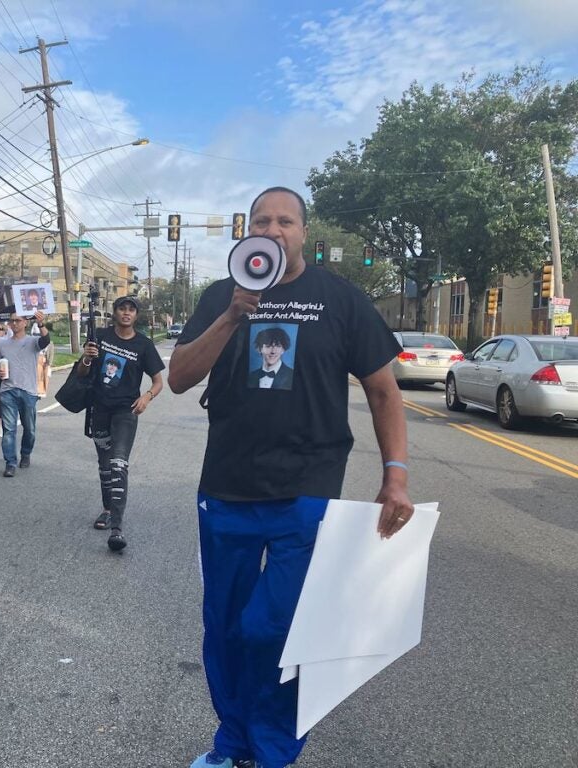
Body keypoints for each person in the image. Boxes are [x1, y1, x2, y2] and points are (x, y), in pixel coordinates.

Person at [167, 187, 413, 768]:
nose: (273, 230)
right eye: (261, 220)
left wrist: (395, 475)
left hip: (306, 493)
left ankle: (274, 749)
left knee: (271, 628)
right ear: (246, 231)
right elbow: (178, 377)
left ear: (304, 232)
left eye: (285, 221)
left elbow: (383, 391)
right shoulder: (219, 296)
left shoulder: (341, 300)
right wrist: (231, 316)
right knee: (225, 628)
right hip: (226, 490)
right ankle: (232, 744)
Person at [77, 296, 164, 552]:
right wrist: (86, 358)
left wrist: (146, 397)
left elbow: (158, 381)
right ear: (115, 313)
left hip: (126, 412)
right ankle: (107, 509)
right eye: (122, 309)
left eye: (131, 310)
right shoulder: (101, 336)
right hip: (99, 409)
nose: (126, 313)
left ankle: (117, 527)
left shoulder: (144, 345)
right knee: (104, 465)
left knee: (118, 463)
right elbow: (82, 373)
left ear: (136, 316)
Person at [0, 310, 50, 477]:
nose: (14, 324)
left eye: (18, 321)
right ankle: (10, 462)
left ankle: (26, 453)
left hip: (28, 390)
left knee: (30, 429)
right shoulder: (2, 343)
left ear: (25, 323)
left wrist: (41, 324)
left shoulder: (33, 341)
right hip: (7, 390)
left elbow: (46, 340)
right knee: (9, 429)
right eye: (12, 321)